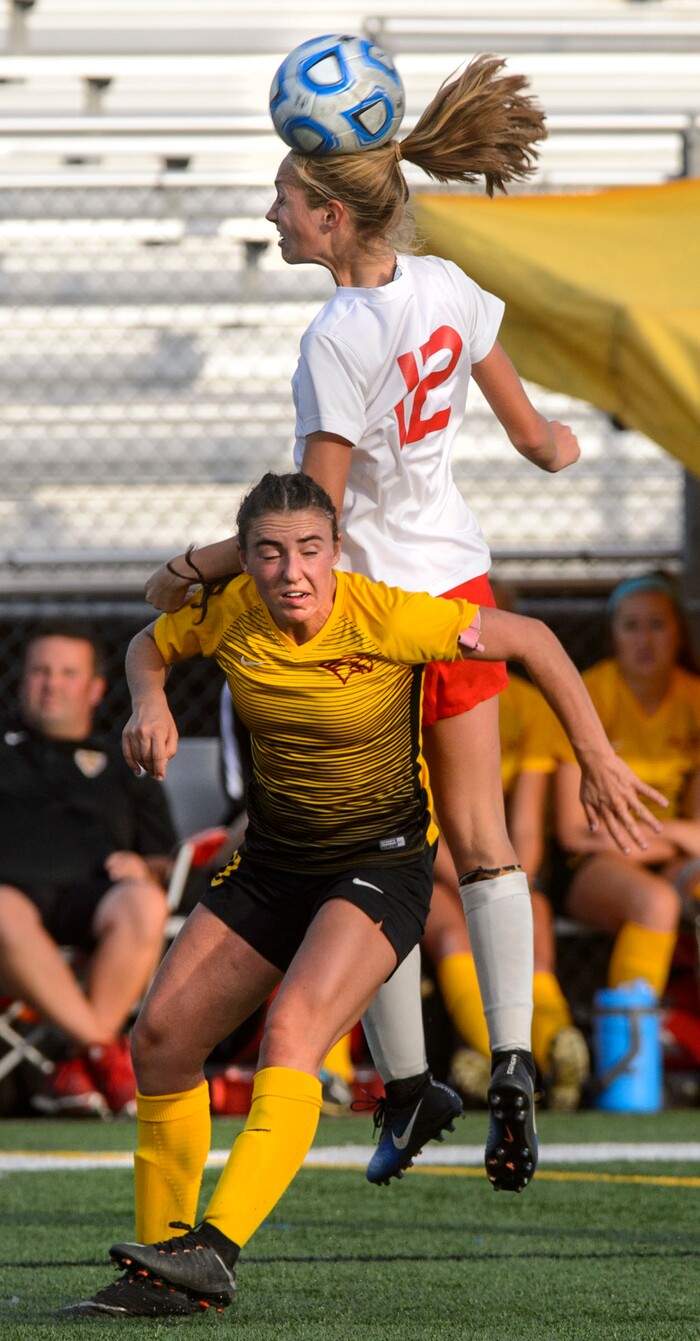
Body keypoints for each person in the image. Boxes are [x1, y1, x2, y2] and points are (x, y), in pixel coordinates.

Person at [143, 53, 643, 1186]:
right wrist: (565, 447)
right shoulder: (450, 288)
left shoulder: (336, 336)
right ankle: (510, 1058)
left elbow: (312, 508)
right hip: (459, 587)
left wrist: (194, 564)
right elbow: (532, 436)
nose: (272, 210)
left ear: (327, 214)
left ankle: (413, 1091)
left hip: (365, 616)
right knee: (479, 840)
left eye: (285, 195)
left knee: (371, 849)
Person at [59, 473, 665, 1319]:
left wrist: (598, 758)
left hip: (378, 866)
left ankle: (216, 1249)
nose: (291, 571)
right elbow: (147, 642)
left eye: (309, 549)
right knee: (160, 1039)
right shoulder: (230, 608)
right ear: (249, 562)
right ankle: (166, 1266)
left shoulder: (387, 615)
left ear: (337, 551)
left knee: (294, 1030)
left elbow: (531, 639)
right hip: (274, 863)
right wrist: (149, 698)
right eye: (269, 552)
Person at [0, 620, 177, 1117]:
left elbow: (167, 857)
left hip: (94, 898)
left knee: (144, 902)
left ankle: (84, 1063)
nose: (51, 683)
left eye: (66, 673)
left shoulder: (124, 759)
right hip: (11, 901)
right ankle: (106, 1056)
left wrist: (145, 867)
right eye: (40, 671)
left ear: (95, 688)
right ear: (22, 681)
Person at [553, 573, 700, 1005]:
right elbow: (572, 832)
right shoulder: (588, 694)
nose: (645, 639)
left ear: (679, 633)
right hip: (593, 862)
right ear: (613, 634)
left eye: (658, 624)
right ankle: (631, 1061)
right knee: (654, 903)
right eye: (631, 626)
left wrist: (674, 838)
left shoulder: (694, 699)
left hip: (660, 853)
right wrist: (674, 836)